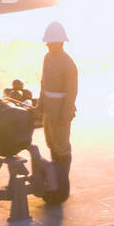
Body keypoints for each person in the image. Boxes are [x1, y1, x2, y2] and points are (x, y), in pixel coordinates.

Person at [39, 21, 78, 191]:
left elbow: (72, 92)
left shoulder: (68, 63)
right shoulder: (47, 58)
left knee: (62, 147)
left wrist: (66, 114)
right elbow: (43, 83)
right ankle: (55, 177)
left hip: (61, 111)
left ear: (60, 42)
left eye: (50, 41)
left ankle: (63, 182)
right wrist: (40, 105)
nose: (47, 44)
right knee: (51, 143)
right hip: (49, 109)